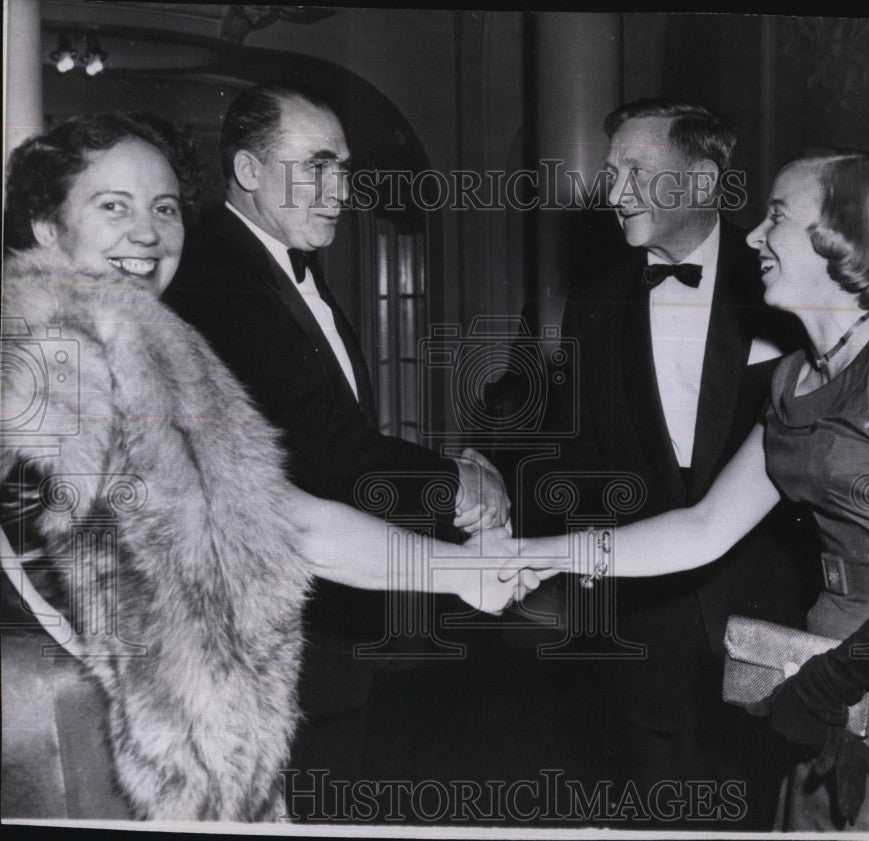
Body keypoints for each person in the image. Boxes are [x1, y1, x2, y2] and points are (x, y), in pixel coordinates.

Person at [0, 113, 538, 821]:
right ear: (46, 224)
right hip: (100, 733)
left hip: (114, 715)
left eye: (164, 208)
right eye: (113, 206)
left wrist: (456, 570)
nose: (148, 233)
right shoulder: (87, 351)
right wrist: (459, 570)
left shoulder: (88, 339)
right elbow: (290, 526)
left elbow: (268, 511)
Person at [514, 148, 869, 832]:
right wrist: (554, 553)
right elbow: (704, 525)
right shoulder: (795, 375)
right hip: (825, 659)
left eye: (776, 217)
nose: (751, 236)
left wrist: (834, 681)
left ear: (845, 232)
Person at [160, 82, 512, 786]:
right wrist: (457, 485)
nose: (340, 189)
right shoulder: (215, 280)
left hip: (319, 635)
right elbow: (320, 457)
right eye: (317, 165)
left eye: (344, 168)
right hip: (264, 644)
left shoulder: (272, 271)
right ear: (250, 171)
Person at [515, 99, 816, 827]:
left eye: (636, 172)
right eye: (612, 171)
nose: (613, 192)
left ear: (703, 178)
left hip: (774, 609)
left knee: (776, 801)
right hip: (645, 621)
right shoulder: (595, 300)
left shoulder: (784, 283)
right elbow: (577, 447)